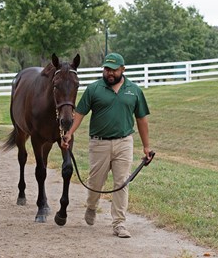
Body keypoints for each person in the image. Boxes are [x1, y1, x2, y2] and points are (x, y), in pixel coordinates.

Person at [61, 52, 153, 238]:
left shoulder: (134, 90)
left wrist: (146, 146)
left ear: (123, 69)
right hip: (99, 143)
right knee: (96, 181)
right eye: (107, 69)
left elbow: (142, 119)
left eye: (114, 69)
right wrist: (69, 134)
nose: (110, 73)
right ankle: (92, 206)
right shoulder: (94, 89)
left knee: (121, 183)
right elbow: (79, 114)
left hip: (124, 142)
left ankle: (119, 224)